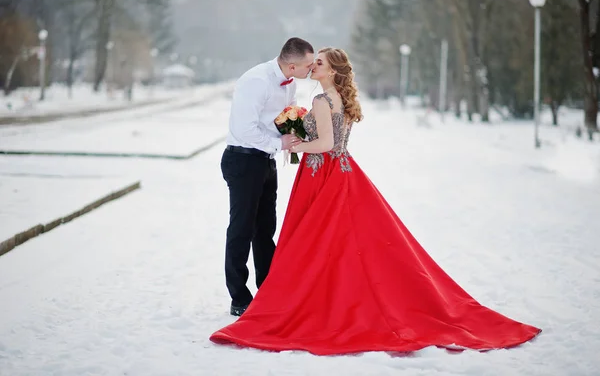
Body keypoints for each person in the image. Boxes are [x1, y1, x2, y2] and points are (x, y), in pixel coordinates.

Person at [211, 47, 541, 354]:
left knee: (312, 243)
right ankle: (309, 296)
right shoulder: (333, 97)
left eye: (320, 63)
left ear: (333, 71)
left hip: (321, 172)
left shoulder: (322, 101)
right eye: (313, 62)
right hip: (338, 171)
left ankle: (306, 300)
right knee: (331, 244)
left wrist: (292, 145)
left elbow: (325, 144)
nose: (314, 66)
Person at [221, 37, 315, 317]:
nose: (311, 69)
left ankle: (269, 290)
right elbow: (245, 128)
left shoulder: (291, 84)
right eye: (308, 65)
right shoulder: (257, 81)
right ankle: (239, 297)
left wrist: (298, 133)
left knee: (265, 228)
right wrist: (280, 144)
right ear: (292, 64)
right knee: (242, 229)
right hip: (242, 160)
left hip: (265, 161)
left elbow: (285, 118)